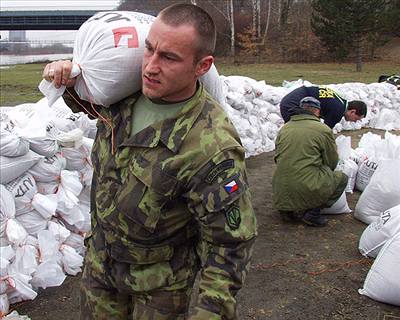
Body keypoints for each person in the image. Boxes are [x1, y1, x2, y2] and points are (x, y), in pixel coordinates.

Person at [43, 3, 257, 320]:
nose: (150, 67)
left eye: (169, 57)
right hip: (100, 270)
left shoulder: (211, 145)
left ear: (202, 66)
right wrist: (66, 79)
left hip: (158, 289)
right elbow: (89, 106)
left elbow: (230, 241)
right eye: (149, 50)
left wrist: (212, 310)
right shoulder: (125, 94)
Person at [272, 96, 348, 227]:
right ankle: (313, 213)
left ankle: (287, 209)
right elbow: (331, 162)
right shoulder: (322, 129)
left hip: (280, 188)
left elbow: (277, 157)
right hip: (307, 185)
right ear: (317, 111)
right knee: (341, 178)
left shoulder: (285, 128)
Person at [279, 85, 367, 128]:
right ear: (353, 111)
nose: (355, 122)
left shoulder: (340, 101)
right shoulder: (338, 111)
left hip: (293, 98)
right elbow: (324, 132)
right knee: (299, 131)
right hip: (293, 103)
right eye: (356, 118)